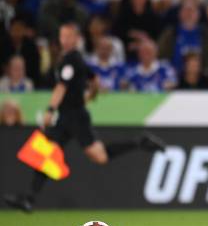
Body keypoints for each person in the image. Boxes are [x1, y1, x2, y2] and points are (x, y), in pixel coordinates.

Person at [3, 23, 165, 212]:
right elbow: (94, 80)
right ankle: (29, 198)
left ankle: (140, 142)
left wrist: (49, 110)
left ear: (77, 39)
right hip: (71, 114)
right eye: (62, 36)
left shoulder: (70, 60)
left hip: (73, 116)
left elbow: (61, 87)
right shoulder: (77, 59)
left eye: (69, 36)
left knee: (97, 156)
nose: (64, 40)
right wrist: (89, 96)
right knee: (47, 154)